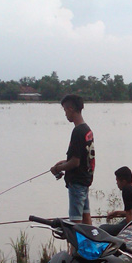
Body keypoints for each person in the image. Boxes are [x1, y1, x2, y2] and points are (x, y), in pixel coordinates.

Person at [50, 94, 95, 225]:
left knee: (75, 223)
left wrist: (57, 168)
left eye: (65, 110)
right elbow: (82, 157)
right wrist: (64, 162)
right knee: (86, 218)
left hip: (77, 183)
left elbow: (75, 162)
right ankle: (89, 245)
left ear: (70, 109)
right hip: (85, 180)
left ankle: (76, 246)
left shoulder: (77, 132)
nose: (65, 114)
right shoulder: (87, 130)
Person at [100, 166, 132, 235]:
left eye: (117, 181)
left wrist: (130, 232)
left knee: (102, 228)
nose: (117, 183)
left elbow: (129, 213)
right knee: (120, 224)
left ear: (123, 182)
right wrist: (116, 213)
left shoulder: (126, 190)